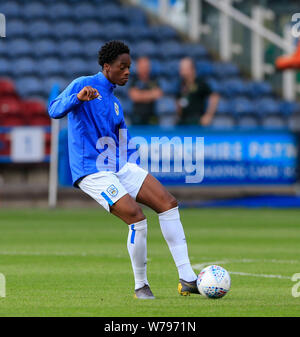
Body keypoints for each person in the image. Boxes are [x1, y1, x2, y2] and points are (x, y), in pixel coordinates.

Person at [48, 41, 198, 299]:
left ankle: (188, 279)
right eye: (122, 67)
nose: (128, 72)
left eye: (129, 67)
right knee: (137, 218)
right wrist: (77, 98)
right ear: (107, 67)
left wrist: (134, 168)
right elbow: (53, 109)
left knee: (168, 202)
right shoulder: (83, 84)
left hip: (118, 166)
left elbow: (123, 141)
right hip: (90, 170)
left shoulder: (115, 102)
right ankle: (141, 286)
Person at [177, 57, 220, 126]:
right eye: (181, 68)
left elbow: (214, 97)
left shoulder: (200, 83)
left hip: (197, 121)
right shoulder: (180, 84)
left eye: (184, 69)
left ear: (192, 69)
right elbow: (179, 102)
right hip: (183, 122)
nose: (181, 71)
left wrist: (208, 116)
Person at [128, 56, 163, 125]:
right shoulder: (134, 80)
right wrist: (150, 95)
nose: (144, 69)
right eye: (142, 67)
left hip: (152, 116)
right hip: (137, 116)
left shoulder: (154, 80)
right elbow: (134, 96)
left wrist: (141, 95)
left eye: (146, 66)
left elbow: (158, 94)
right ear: (138, 67)